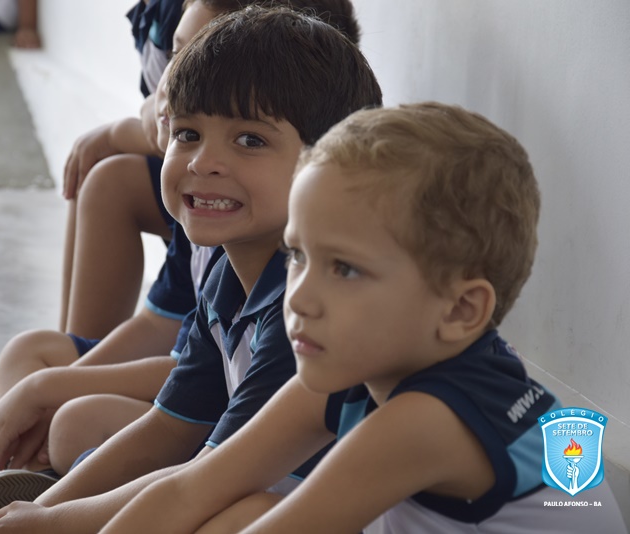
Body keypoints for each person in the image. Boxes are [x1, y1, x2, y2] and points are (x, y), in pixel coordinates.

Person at [0, 5, 382, 533]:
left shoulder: (305, 308)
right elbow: (167, 427)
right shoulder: (227, 279)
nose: (202, 162)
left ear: (327, 164)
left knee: (232, 516)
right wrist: (37, 513)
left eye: (250, 140)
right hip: (249, 489)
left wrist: (52, 525)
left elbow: (202, 481)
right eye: (187, 134)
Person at [99, 102, 628, 533]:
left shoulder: (428, 420)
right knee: (240, 512)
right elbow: (191, 488)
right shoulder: (354, 364)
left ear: (460, 310)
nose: (299, 299)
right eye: (297, 256)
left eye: (345, 269)